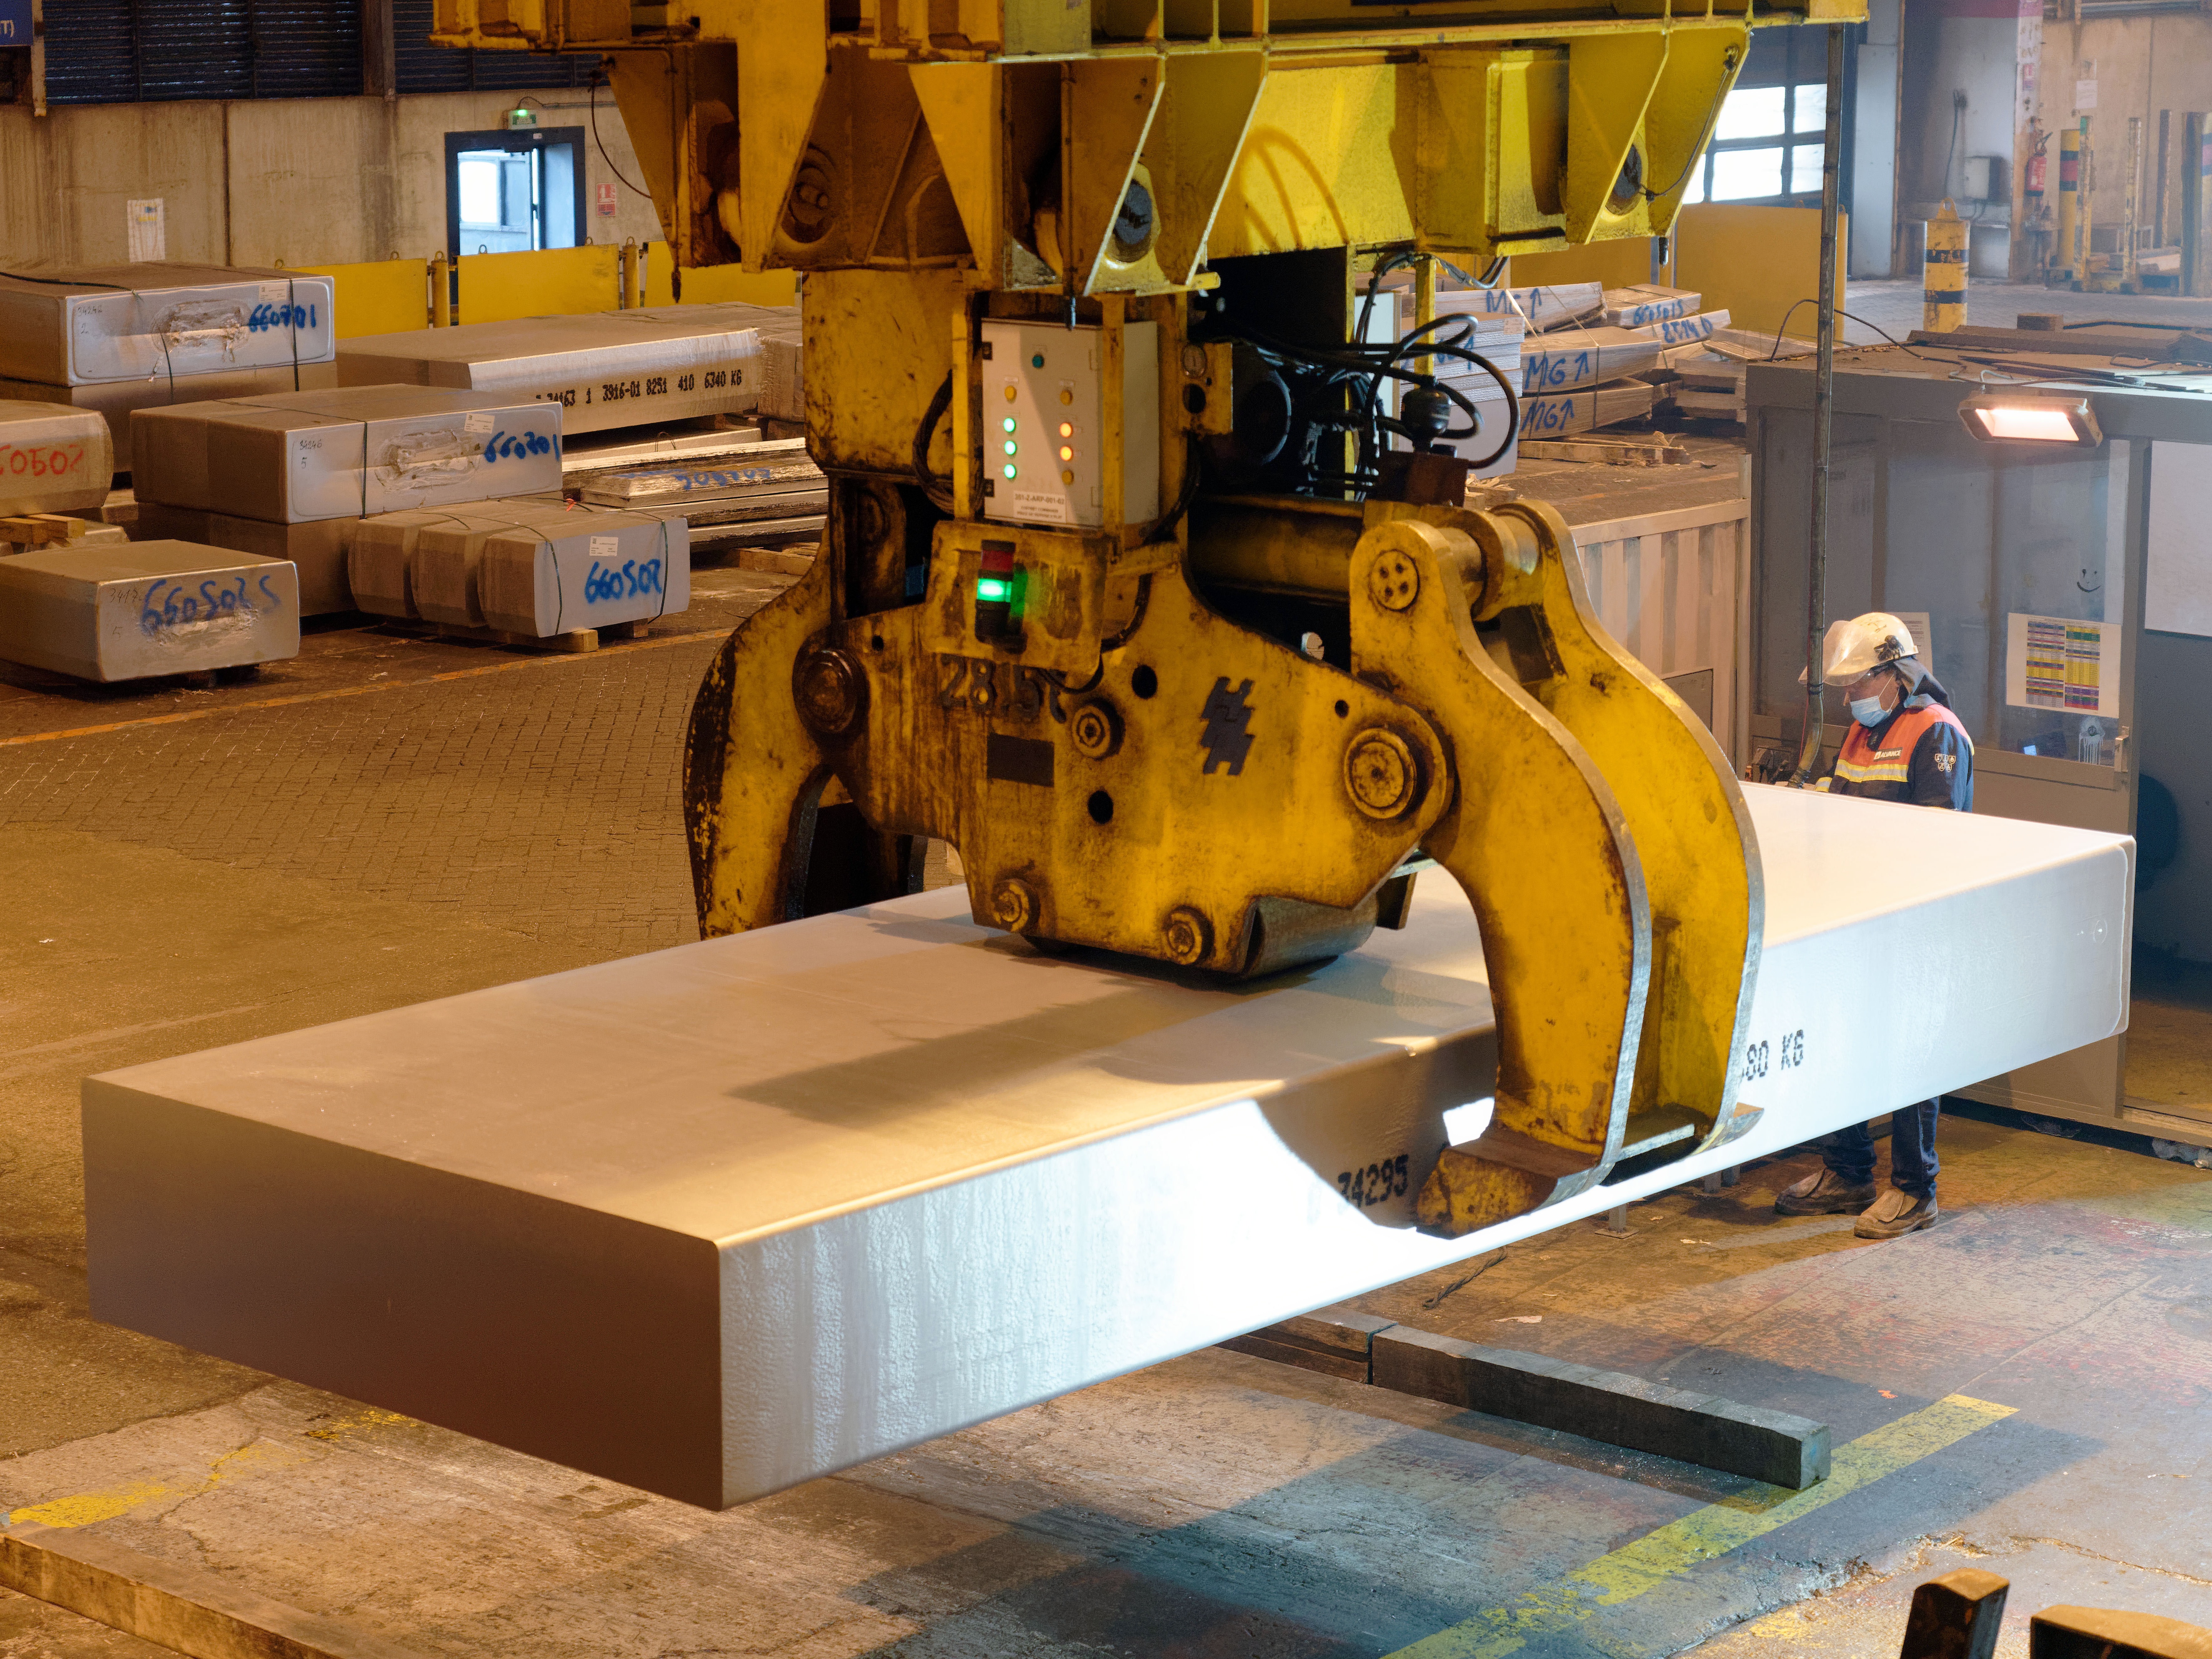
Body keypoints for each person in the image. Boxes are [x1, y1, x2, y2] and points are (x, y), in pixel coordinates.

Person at [1775, 612, 1973, 1239]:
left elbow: (1934, 837)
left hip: (1912, 925)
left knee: (1910, 1058)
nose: (1846, 697)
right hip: (1857, 919)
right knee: (1845, 1045)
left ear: (1892, 674)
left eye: (1857, 683)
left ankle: (1915, 1191)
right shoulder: (1859, 736)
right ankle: (1848, 1172)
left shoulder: (1933, 733)